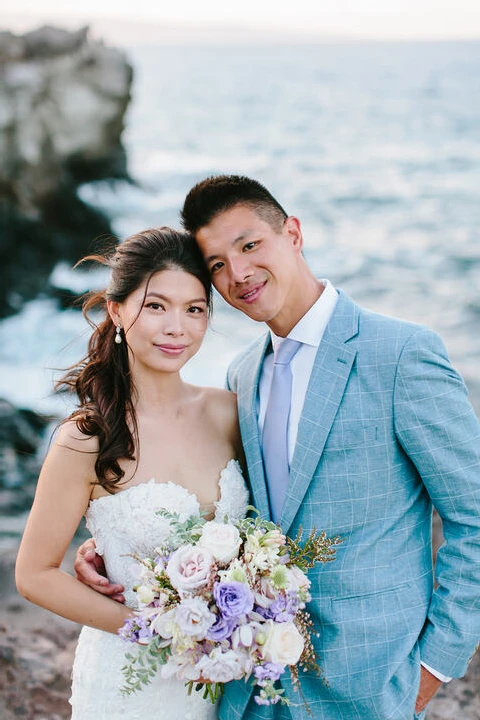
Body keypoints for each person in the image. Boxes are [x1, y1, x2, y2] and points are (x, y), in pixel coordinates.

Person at [75, 176, 480, 720]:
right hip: (253, 688)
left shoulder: (401, 355)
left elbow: (473, 517)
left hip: (372, 683)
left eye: (249, 245)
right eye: (216, 264)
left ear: (292, 233)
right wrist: (121, 549)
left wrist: (433, 668)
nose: (237, 273)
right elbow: (233, 513)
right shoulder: (242, 377)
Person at [15, 226, 249, 720]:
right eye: (156, 306)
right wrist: (158, 630)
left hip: (227, 678)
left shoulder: (232, 415)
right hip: (131, 683)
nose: (176, 328)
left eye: (195, 309)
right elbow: (33, 575)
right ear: (117, 311)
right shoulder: (87, 438)